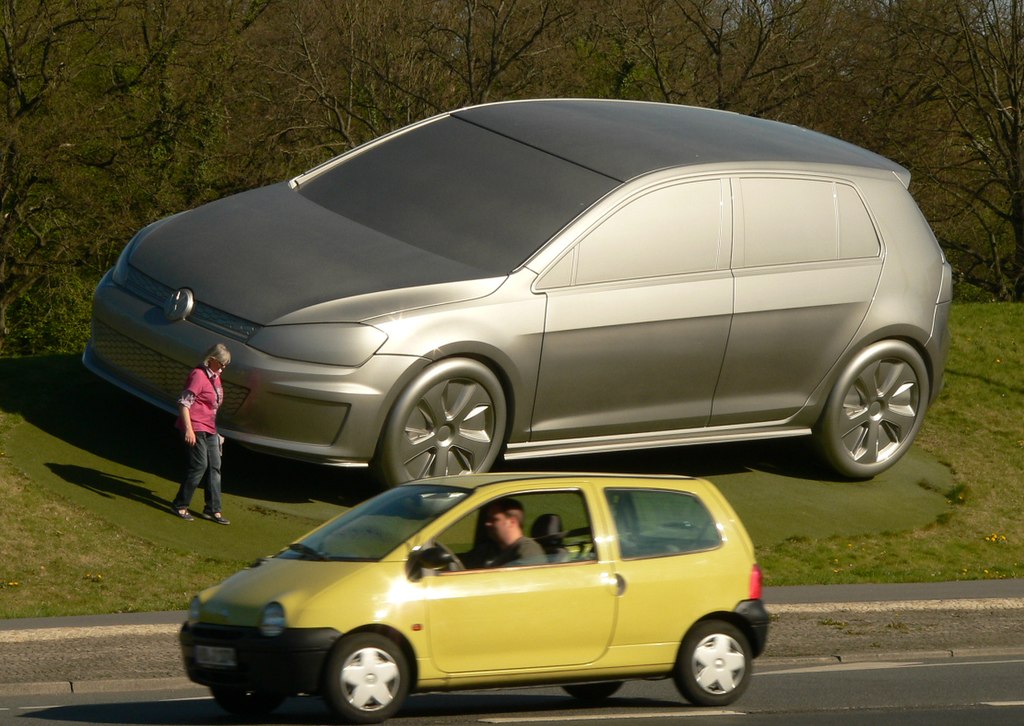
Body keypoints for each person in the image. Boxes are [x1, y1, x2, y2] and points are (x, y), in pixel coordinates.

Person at [171, 343, 231, 524]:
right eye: (221, 363)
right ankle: (180, 504)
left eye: (226, 364)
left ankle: (213, 510)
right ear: (212, 360)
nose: (224, 367)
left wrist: (217, 433)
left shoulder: (216, 378)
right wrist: (189, 429)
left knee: (215, 466)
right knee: (199, 465)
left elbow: (211, 407)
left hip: (210, 428)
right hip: (195, 427)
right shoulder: (198, 375)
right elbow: (184, 403)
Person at [463, 497, 545, 568]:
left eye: (494, 519)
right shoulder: (487, 549)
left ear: (512, 522)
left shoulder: (528, 550)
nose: (487, 523)